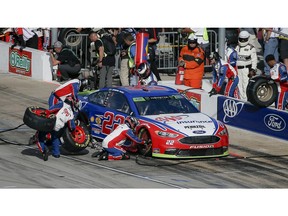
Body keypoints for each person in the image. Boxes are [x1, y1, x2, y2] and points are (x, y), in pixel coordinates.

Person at [34, 96, 77, 161]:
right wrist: (72, 131)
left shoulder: (61, 103)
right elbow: (72, 126)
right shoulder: (71, 113)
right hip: (59, 127)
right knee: (55, 138)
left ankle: (43, 151)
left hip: (51, 123)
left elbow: (52, 109)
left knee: (39, 136)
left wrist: (45, 114)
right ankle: (56, 153)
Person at [235, 30, 258, 100]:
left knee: (246, 85)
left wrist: (253, 69)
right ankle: (241, 100)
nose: (242, 41)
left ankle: (246, 100)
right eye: (241, 39)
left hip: (246, 70)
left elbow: (254, 60)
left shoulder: (251, 48)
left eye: (244, 39)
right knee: (239, 85)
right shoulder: (237, 47)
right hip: (237, 69)